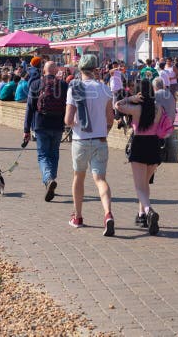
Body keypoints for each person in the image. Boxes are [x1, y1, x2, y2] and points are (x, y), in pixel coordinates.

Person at [64, 54, 115, 236]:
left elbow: (68, 119)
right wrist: (104, 131)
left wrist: (76, 123)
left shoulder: (74, 88)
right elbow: (110, 119)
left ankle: (77, 217)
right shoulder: (105, 89)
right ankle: (107, 213)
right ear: (96, 69)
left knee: (79, 177)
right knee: (100, 179)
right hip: (100, 139)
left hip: (80, 140)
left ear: (80, 69)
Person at [115, 79, 166, 235]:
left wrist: (130, 98)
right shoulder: (158, 108)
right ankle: (142, 215)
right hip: (154, 145)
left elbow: (117, 105)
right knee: (144, 184)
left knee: (139, 186)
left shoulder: (135, 109)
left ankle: (149, 210)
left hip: (139, 144)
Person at [24, 61, 68, 202]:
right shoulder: (63, 85)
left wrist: (26, 130)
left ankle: (48, 179)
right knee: (54, 154)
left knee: (43, 156)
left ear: (44, 71)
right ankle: (51, 180)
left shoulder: (36, 84)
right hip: (57, 125)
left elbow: (30, 107)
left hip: (41, 124)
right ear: (56, 71)